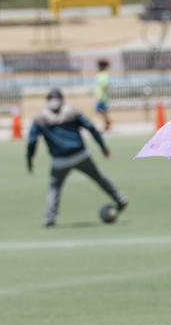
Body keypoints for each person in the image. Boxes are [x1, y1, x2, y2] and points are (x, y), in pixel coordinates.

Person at [26, 87, 127, 227]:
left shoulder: (40, 116)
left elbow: (32, 140)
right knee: (98, 177)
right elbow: (90, 127)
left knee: (54, 187)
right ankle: (119, 198)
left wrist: (29, 159)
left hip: (59, 160)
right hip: (80, 154)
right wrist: (103, 147)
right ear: (61, 99)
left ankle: (50, 218)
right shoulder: (71, 110)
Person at [93, 60, 112, 132]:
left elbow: (105, 86)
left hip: (102, 97)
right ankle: (107, 123)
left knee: (99, 110)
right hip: (99, 96)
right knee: (101, 110)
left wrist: (102, 96)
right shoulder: (100, 74)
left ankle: (108, 123)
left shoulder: (104, 74)